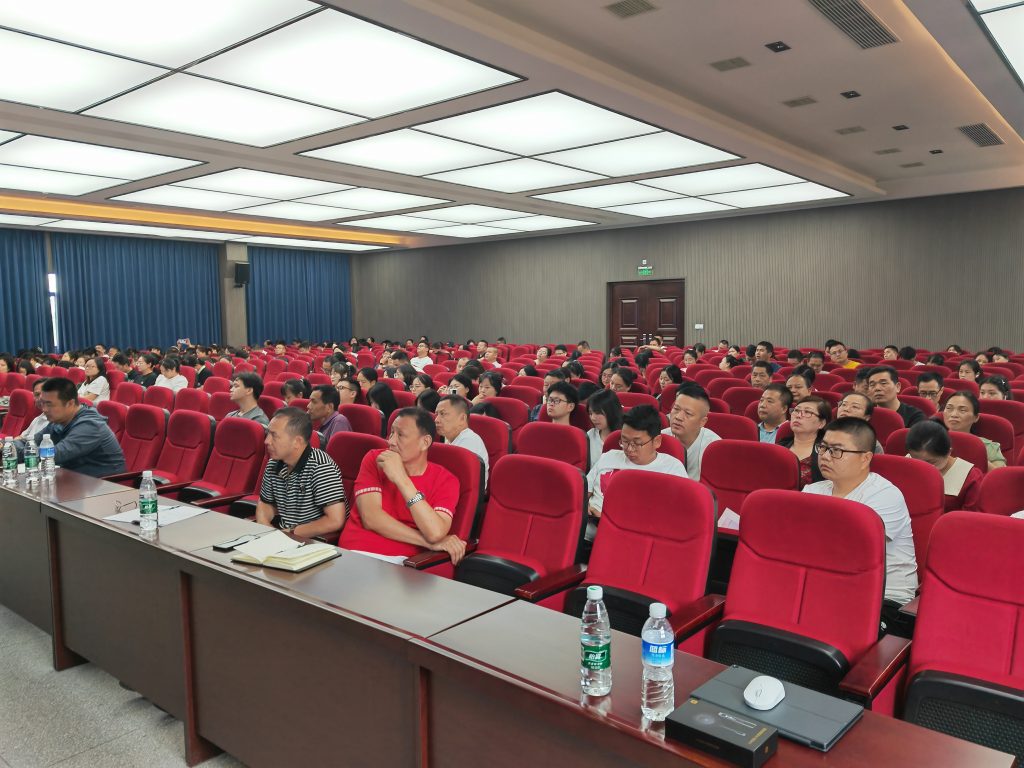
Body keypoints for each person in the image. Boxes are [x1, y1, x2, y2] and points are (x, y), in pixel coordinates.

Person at [803, 417, 918, 629]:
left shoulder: (885, 495)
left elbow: (853, 554)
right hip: (827, 588)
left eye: (837, 451)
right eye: (823, 448)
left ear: (865, 458)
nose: (825, 456)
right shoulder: (813, 491)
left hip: (884, 598)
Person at [339, 407, 463, 564]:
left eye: (401, 435)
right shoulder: (375, 459)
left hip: (400, 562)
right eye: (391, 433)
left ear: (425, 442)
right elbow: (371, 518)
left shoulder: (446, 480)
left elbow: (435, 533)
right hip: (352, 551)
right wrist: (426, 543)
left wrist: (402, 479)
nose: (391, 441)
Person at [586, 405, 687, 538]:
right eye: (625, 441)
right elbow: (583, 492)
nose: (629, 449)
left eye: (637, 443)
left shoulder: (672, 469)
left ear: (656, 441)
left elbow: (679, 515)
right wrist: (585, 506)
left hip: (636, 537)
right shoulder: (608, 457)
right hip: (589, 534)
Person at [255, 408, 346, 538]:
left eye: (274, 435)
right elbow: (265, 503)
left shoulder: (321, 467)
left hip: (311, 540)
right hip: (283, 535)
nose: (267, 441)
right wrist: (265, 528)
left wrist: (289, 534)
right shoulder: (273, 463)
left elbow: (335, 520)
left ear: (297, 442)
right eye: (268, 433)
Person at [16, 378, 125, 477]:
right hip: (75, 480)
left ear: (70, 403)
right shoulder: (59, 420)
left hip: (105, 485)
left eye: (49, 404)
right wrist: (8, 446)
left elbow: (55, 454)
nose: (44, 409)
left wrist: (16, 452)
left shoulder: (90, 425)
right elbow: (30, 442)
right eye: (43, 403)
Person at [905, 420, 982, 513]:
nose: (923, 468)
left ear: (948, 452)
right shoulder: (905, 464)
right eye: (916, 462)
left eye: (931, 462)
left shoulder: (970, 477)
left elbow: (969, 516)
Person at [662, 383, 720, 481]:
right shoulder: (660, 438)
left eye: (688, 413)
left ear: (702, 422)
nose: (678, 417)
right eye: (676, 409)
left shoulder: (713, 448)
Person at [943, 391, 1006, 470]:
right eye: (949, 408)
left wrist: (975, 455)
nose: (954, 414)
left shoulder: (986, 446)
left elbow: (1000, 474)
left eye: (962, 410)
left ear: (976, 417)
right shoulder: (932, 439)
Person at [434, 395, 489, 485]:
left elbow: (451, 482)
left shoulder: (469, 441)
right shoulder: (449, 437)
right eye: (437, 414)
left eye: (443, 414)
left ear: (462, 418)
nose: (436, 420)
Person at [778, 396, 830, 488]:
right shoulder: (779, 447)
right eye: (796, 410)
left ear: (821, 423)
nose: (798, 415)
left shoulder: (827, 453)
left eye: (807, 412)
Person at [585, 389, 623, 469]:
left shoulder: (626, 438)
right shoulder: (590, 435)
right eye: (590, 413)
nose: (593, 418)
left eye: (598, 413)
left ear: (611, 411)